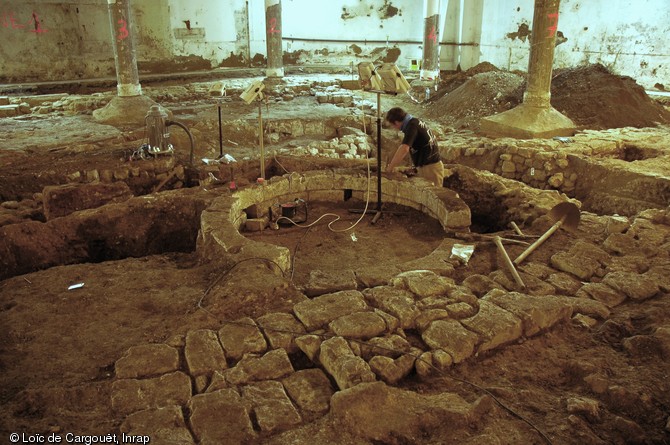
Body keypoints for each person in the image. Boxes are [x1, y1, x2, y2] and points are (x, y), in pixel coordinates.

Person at [385, 107, 444, 187]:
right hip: (428, 166)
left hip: (430, 168)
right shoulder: (414, 121)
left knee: (433, 196)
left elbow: (404, 148)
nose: (394, 128)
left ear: (396, 122)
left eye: (393, 126)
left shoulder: (412, 126)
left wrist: (390, 168)